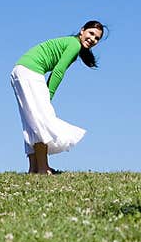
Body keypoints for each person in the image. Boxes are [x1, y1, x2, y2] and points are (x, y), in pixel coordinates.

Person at [10, 20, 106, 174]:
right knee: (42, 119)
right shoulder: (74, 44)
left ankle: (34, 168)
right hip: (30, 72)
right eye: (91, 33)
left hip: (20, 71)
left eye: (97, 38)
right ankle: (43, 168)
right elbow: (58, 71)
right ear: (82, 31)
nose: (93, 39)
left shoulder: (72, 44)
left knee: (31, 122)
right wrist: (49, 96)